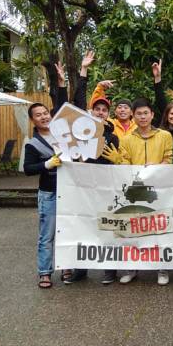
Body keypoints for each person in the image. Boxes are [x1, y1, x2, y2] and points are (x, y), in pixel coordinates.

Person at [56, 52, 121, 285]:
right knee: (81, 225)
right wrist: (83, 70)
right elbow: (77, 101)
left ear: (108, 114)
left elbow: (116, 164)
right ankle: (80, 268)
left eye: (104, 110)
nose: (100, 112)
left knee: (108, 226)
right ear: (91, 112)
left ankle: (110, 270)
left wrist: (117, 160)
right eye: (97, 109)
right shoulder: (80, 130)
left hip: (105, 188)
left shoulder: (113, 137)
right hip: (82, 187)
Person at [102, 98, 173, 286]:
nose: (142, 117)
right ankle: (131, 268)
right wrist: (119, 161)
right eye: (139, 114)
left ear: (152, 115)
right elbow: (125, 165)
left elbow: (169, 159)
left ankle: (162, 268)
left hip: (158, 189)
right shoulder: (126, 139)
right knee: (133, 228)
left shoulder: (165, 136)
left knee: (159, 229)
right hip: (134, 190)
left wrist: (156, 167)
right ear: (133, 116)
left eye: (145, 113)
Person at [24, 102, 63, 289]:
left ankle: (67, 268)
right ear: (33, 120)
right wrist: (46, 164)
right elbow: (28, 169)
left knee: (68, 232)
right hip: (49, 193)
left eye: (45, 113)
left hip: (69, 191)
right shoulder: (33, 144)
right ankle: (45, 272)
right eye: (38, 115)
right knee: (47, 235)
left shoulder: (63, 134)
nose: (44, 117)